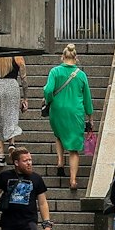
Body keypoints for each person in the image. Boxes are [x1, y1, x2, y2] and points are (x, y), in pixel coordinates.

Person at [42, 44, 94, 190]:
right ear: (76, 58)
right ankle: (72, 180)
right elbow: (87, 98)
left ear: (62, 57)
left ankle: (59, 161)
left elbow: (48, 89)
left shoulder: (55, 71)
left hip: (57, 109)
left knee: (59, 134)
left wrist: (49, 100)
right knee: (74, 149)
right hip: (75, 112)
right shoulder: (81, 75)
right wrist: (90, 117)